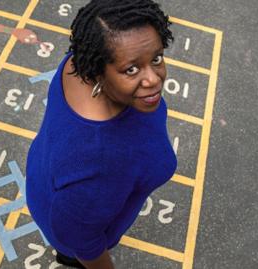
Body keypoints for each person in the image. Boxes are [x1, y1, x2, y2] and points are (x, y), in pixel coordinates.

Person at [25, 0, 176, 268]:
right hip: (65, 219)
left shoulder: (77, 64)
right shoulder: (101, 158)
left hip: (44, 176)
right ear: (97, 72)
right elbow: (76, 235)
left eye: (156, 59)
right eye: (131, 69)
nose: (153, 79)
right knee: (74, 255)